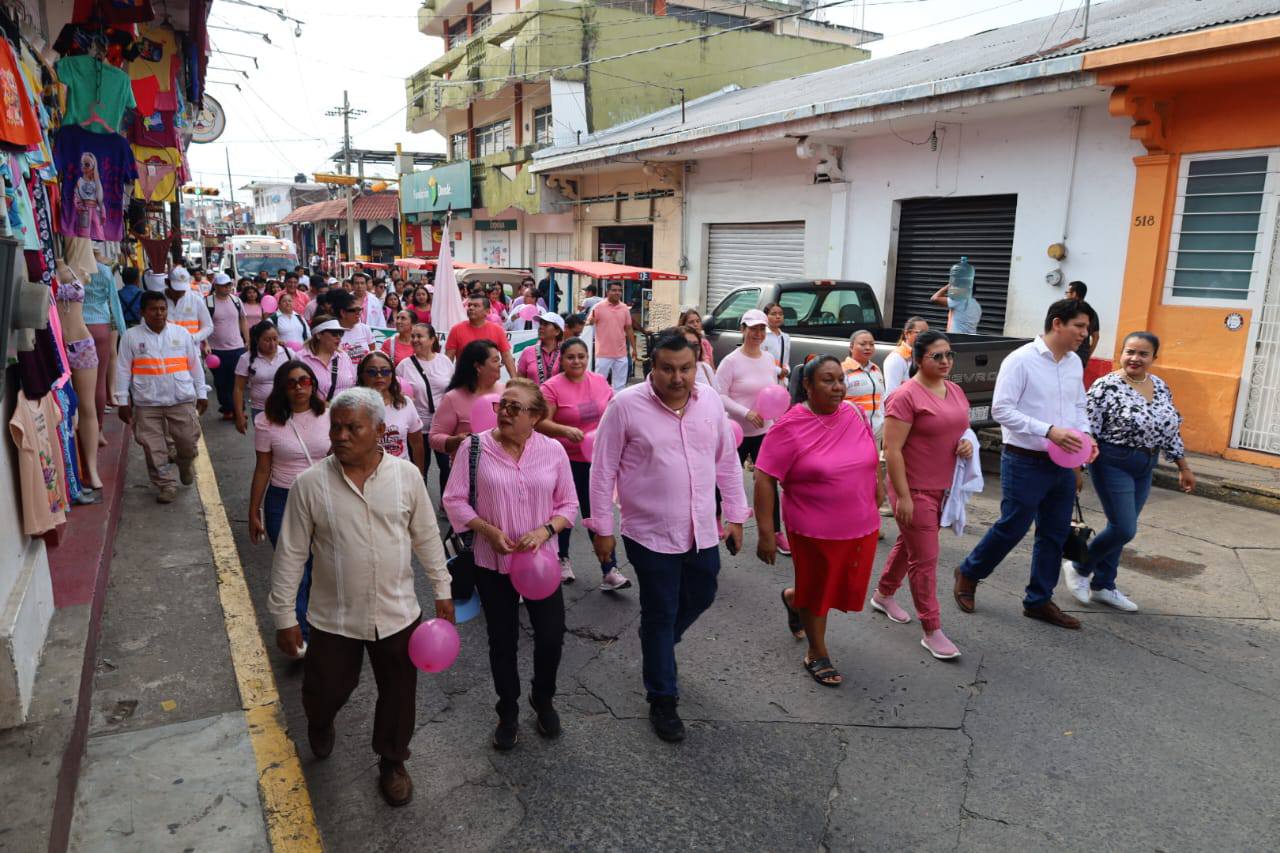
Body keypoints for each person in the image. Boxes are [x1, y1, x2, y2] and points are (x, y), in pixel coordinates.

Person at [269, 387, 453, 808]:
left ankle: (391, 761)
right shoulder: (309, 484)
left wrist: (442, 588)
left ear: (380, 431)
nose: (341, 436)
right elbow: (291, 554)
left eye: (353, 427)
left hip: (398, 612)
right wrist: (283, 616)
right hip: (333, 618)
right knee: (326, 689)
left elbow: (426, 536)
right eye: (336, 426)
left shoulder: (406, 477)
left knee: (399, 694)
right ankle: (320, 721)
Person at [587, 329, 748, 742]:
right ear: (650, 367)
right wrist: (602, 531)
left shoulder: (709, 400)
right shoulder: (624, 407)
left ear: (697, 365)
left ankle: (658, 641)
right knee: (659, 610)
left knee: (703, 593)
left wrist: (735, 514)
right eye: (668, 369)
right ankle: (663, 697)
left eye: (686, 368)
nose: (678, 378)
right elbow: (602, 472)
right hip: (648, 532)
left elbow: (726, 460)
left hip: (701, 529)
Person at [442, 379, 577, 750]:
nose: (503, 412)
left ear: (535, 416)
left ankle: (543, 697)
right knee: (502, 641)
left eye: (514, 408)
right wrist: (485, 529)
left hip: (540, 565)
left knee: (551, 636)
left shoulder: (552, 451)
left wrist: (545, 530)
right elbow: (454, 500)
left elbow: (568, 506)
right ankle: (508, 710)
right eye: (502, 405)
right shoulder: (474, 448)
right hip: (491, 564)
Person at [953, 299, 1098, 629]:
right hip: (1025, 460)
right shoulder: (1020, 360)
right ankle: (969, 572)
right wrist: (1049, 431)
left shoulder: (1074, 363)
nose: (1084, 334)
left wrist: (1085, 438)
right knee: (1013, 526)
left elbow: (1079, 406)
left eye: (1086, 329)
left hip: (1062, 463)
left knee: (1054, 533)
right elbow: (1001, 410)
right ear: (1057, 323)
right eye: (1079, 326)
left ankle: (1039, 600)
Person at [755, 355, 883, 686]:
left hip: (860, 523)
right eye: (828, 380)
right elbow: (765, 477)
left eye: (840, 379)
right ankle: (817, 652)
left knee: (834, 586)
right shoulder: (790, 425)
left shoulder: (854, 413)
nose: (838, 386)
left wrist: (879, 487)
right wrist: (767, 533)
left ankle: (793, 598)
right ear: (808, 386)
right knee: (818, 591)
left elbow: (871, 455)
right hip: (812, 528)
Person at [1063, 332, 1196, 612]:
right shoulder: (1106, 386)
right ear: (1121, 354)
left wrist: (1183, 466)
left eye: (1143, 353)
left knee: (1120, 530)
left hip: (1147, 464)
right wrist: (1078, 468)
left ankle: (1104, 586)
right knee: (1124, 527)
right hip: (1113, 461)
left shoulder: (1160, 386)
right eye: (1130, 352)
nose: (1135, 358)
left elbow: (1170, 429)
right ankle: (1079, 566)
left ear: (1154, 358)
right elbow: (1087, 429)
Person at [872, 331, 972, 660]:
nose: (945, 362)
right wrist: (902, 497)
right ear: (917, 359)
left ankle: (884, 594)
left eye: (949, 355)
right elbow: (893, 450)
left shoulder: (954, 390)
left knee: (911, 545)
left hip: (945, 486)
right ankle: (932, 629)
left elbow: (961, 428)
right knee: (926, 559)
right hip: (913, 488)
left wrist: (966, 443)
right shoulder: (904, 396)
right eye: (937, 356)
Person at [248, 360, 330, 652]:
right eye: (292, 382)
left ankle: (322, 627)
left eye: (304, 381)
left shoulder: (329, 416)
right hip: (282, 502)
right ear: (282, 387)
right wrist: (253, 511)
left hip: (322, 499)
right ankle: (301, 634)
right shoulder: (267, 422)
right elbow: (262, 469)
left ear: (313, 385)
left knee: (320, 568)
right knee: (294, 571)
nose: (299, 387)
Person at [538, 337, 629, 590]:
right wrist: (566, 431)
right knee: (563, 513)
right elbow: (540, 422)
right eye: (571, 357)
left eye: (581, 356)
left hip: (596, 459)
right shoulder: (551, 387)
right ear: (562, 359)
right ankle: (562, 560)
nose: (576, 361)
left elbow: (614, 412)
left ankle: (609, 570)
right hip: (563, 459)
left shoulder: (599, 381)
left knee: (596, 512)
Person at [114, 291, 208, 503]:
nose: (159, 313)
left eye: (162, 309)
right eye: (154, 309)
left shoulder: (181, 333)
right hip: (147, 403)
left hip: (181, 399)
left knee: (188, 443)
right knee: (153, 448)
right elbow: (122, 370)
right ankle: (166, 484)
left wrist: (201, 392)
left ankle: (184, 464)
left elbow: (194, 365)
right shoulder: (131, 337)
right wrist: (122, 400)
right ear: (143, 312)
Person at [713, 308, 785, 550]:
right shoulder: (731, 361)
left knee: (769, 483)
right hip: (736, 432)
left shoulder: (767, 359)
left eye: (761, 329)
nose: (757, 333)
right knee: (722, 480)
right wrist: (746, 412)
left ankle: (775, 532)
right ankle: (715, 521)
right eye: (752, 328)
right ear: (742, 330)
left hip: (763, 432)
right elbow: (718, 395)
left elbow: (773, 393)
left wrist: (773, 424)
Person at [429, 339, 507, 485]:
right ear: (478, 366)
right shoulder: (453, 398)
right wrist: (456, 441)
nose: (500, 365)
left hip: (504, 473)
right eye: (495, 360)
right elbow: (434, 438)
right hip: (467, 477)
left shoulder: (506, 391)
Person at [395, 323, 455, 495]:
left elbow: (453, 390)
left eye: (419, 336)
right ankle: (420, 504)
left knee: (447, 467)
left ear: (432, 339)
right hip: (418, 428)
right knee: (419, 469)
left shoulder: (444, 361)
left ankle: (447, 503)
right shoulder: (404, 366)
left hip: (443, 426)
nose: (415, 340)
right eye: (413, 336)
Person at [357, 350, 424, 476]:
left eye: (385, 371)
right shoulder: (353, 407)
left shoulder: (405, 403)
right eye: (372, 372)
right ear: (362, 375)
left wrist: (420, 475)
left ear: (392, 375)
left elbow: (417, 444)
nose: (379, 376)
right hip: (365, 476)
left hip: (401, 475)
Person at [84, 247, 127, 425]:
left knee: (80, 383)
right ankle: (99, 427)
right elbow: (114, 302)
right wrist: (124, 333)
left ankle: (84, 427)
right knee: (99, 379)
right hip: (101, 323)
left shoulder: (74, 267)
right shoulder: (105, 270)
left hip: (76, 326)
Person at [207, 273, 249, 421]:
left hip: (237, 347)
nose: (227, 288)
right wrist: (204, 343)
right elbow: (201, 324)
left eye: (228, 285)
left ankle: (239, 409)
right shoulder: (208, 302)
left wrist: (247, 340)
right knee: (220, 382)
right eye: (223, 285)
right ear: (216, 286)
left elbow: (243, 319)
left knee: (236, 380)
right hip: (215, 350)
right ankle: (226, 408)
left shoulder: (236, 300)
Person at [445, 292, 517, 378]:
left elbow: (507, 357)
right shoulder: (456, 330)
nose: (471, 308)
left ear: (487, 311)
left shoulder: (497, 330)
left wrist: (514, 380)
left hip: (490, 382)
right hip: (463, 382)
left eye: (476, 306)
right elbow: (448, 359)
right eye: (469, 305)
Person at [234, 321, 289, 433]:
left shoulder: (288, 354)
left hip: (287, 409)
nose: (272, 344)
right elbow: (238, 389)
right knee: (265, 446)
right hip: (260, 411)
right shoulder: (246, 359)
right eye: (267, 340)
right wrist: (239, 416)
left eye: (275, 339)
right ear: (257, 339)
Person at [587, 282, 637, 392]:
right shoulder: (598, 307)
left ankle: (616, 407)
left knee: (620, 386)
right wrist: (591, 321)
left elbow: (629, 328)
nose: (617, 292)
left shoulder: (624, 308)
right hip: (603, 353)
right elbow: (588, 324)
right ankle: (599, 407)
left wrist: (634, 349)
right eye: (614, 290)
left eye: (619, 290)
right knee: (599, 384)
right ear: (607, 292)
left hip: (621, 353)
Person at [842, 330, 886, 442]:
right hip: (851, 435)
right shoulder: (842, 370)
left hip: (876, 435)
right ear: (851, 347)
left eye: (871, 344)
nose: (868, 347)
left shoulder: (876, 369)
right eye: (863, 344)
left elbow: (881, 400)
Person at [300, 317, 357, 403]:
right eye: (334, 333)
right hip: (317, 413)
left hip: (346, 412)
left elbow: (353, 385)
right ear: (318, 335)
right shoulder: (301, 358)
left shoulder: (344, 356)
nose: (338, 337)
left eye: (340, 333)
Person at [162, 266, 213, 347]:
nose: (181, 293)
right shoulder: (157, 301)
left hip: (191, 349)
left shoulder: (195, 299)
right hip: (166, 351)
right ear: (167, 282)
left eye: (183, 289)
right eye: (177, 289)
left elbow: (208, 326)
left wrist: (193, 338)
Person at [883, 316, 928, 396]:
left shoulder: (924, 356)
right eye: (921, 333)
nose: (926, 337)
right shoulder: (896, 358)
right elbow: (892, 393)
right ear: (907, 334)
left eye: (927, 333)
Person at [1066, 281, 1100, 380]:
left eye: (1067, 292)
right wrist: (1087, 355)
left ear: (1074, 294)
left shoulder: (1067, 311)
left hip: (1073, 355)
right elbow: (1096, 337)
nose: (1066, 295)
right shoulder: (1091, 312)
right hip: (1081, 355)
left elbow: (1096, 336)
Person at [517, 312, 564, 383]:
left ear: (557, 331)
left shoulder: (565, 353)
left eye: (546, 324)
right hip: (533, 394)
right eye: (541, 324)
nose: (541, 327)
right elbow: (519, 382)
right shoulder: (527, 351)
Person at [761, 302, 792, 383]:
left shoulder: (785, 337)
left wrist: (787, 370)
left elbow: (786, 361)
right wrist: (778, 371)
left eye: (780, 314)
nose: (778, 317)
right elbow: (761, 360)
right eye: (773, 314)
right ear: (766, 316)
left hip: (781, 382)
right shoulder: (762, 336)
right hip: (766, 381)